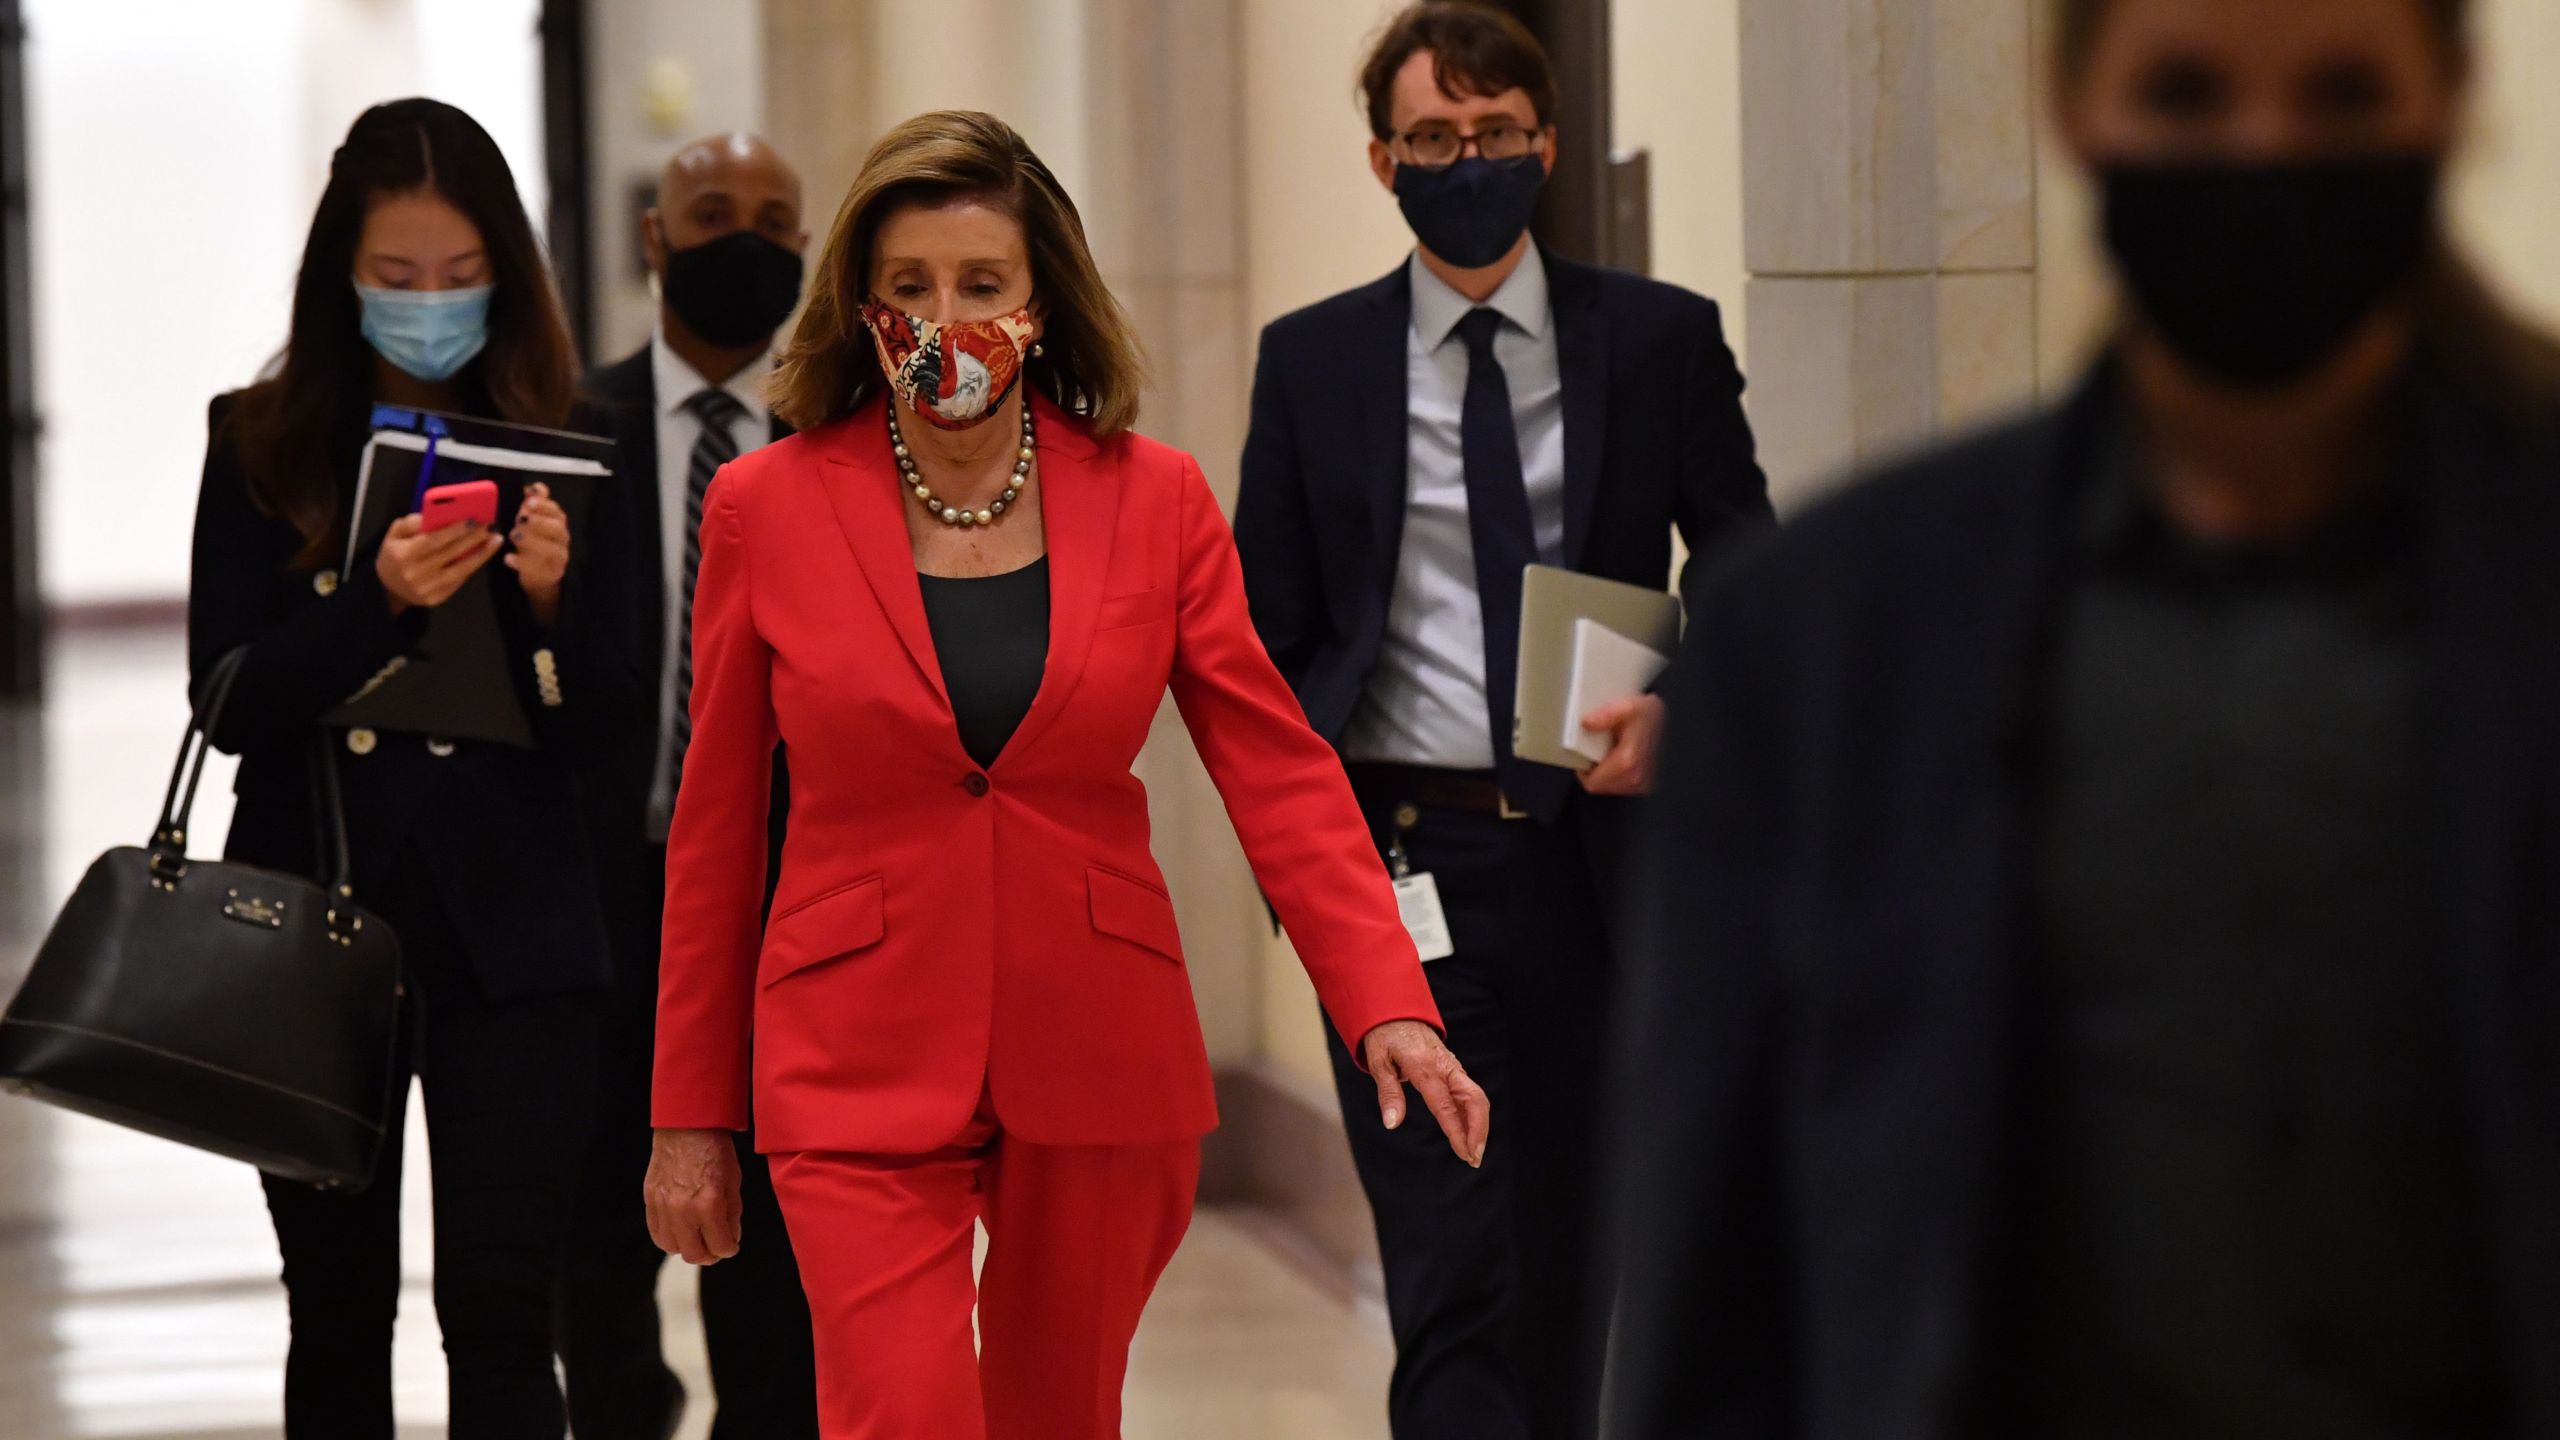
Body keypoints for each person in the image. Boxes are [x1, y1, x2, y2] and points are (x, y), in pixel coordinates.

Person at [1610, 0, 2560, 1435]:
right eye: (2185, 93)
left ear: (2448, 107)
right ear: (2074, 112)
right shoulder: (1828, 644)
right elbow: (1720, 1293)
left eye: (2343, 97)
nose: (2263, 155)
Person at [640, 109, 1489, 1440]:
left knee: (1058, 1414)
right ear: (863, 305)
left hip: (1095, 1037)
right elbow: (715, 832)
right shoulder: (769, 506)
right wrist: (688, 1112)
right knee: (901, 1413)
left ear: (1043, 302)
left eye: (983, 285)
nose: (946, 318)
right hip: (851, 1044)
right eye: (911, 287)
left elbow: (1276, 766)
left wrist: (1385, 996)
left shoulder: (1154, 501)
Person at [1232, 5, 1768, 1437]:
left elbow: (1751, 571)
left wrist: (1684, 710)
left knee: (1576, 1270)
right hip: (1403, 877)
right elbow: (1263, 643)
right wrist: (1312, 865)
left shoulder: (1657, 342)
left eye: (1490, 136)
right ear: (1380, 159)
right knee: (1450, 1271)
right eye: (1430, 139)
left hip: (1601, 864)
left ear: (1544, 144)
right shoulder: (1313, 365)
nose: (1463, 160)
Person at [188, 99, 642, 1439]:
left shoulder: (571, 442)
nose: (430, 306)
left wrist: (551, 617)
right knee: (334, 1311)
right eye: (397, 279)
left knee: (506, 1312)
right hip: (316, 929)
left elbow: (607, 729)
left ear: (506, 274)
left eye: (458, 277)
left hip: (519, 937)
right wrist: (370, 607)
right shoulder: (261, 442)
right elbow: (230, 700)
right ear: (344, 275)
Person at [564, 131, 819, 1440]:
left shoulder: (835, 445)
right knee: (592, 1274)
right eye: (714, 213)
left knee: (776, 1303)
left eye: (778, 223)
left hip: (783, 920)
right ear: (655, 239)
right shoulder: (559, 423)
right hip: (595, 915)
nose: (747, 241)